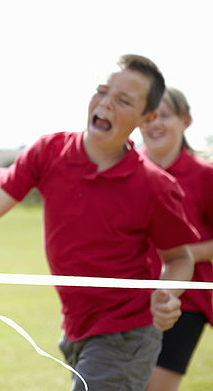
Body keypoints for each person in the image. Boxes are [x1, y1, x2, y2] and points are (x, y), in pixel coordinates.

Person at [0, 55, 198, 391]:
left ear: (146, 118)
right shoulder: (49, 152)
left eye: (122, 100)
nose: (105, 103)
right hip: (76, 327)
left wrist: (167, 292)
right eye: (102, 91)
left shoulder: (155, 186)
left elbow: (180, 258)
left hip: (126, 331)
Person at [140, 88, 213, 391]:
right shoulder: (125, 171)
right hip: (128, 297)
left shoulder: (205, 176)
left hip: (183, 301)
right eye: (148, 116)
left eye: (165, 115)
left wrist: (182, 255)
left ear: (186, 121)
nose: (155, 123)